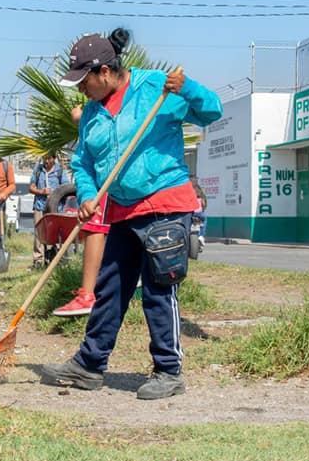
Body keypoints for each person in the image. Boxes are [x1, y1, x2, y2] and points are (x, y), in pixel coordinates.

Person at [41, 29, 222, 400]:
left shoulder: (156, 89)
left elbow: (211, 111)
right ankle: (90, 365)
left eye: (84, 81)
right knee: (110, 287)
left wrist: (188, 89)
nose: (80, 90)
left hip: (164, 204)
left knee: (158, 289)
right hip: (123, 208)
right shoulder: (92, 113)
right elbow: (84, 162)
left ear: (104, 72)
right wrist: (89, 195)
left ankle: (169, 371)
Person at [52, 104, 110, 317]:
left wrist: (83, 116)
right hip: (97, 182)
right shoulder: (93, 111)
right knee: (94, 225)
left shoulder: (124, 100)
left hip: (116, 181)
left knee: (98, 228)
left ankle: (90, 294)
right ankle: (90, 293)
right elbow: (81, 164)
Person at [29, 153, 69, 269]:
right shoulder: (38, 170)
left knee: (57, 234)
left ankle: (57, 259)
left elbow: (66, 188)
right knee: (39, 234)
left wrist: (55, 193)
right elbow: (31, 187)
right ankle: (38, 260)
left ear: (53, 158)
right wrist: (41, 192)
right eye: (44, 158)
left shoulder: (60, 171)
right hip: (40, 206)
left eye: (49, 158)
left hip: (56, 208)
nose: (46, 161)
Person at [191, 177, 207, 248]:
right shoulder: (200, 193)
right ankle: (202, 236)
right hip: (199, 213)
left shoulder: (189, 191)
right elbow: (203, 204)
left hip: (191, 213)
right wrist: (202, 210)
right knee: (205, 220)